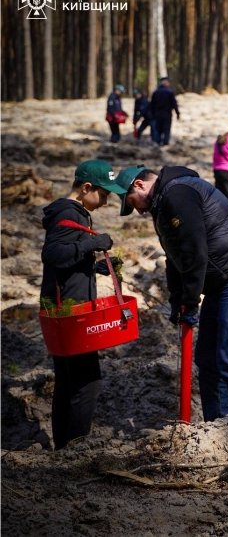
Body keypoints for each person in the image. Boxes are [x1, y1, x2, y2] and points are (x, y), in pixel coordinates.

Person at [117, 164, 228, 421]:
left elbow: (194, 251)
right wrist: (178, 300)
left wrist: (190, 300)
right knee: (208, 360)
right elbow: (175, 257)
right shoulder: (165, 200)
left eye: (132, 203)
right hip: (222, 285)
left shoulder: (177, 194)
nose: (138, 211)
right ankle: (219, 427)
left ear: (139, 185)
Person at [40, 160, 126, 449]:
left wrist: (95, 267)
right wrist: (92, 244)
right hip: (69, 312)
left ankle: (63, 447)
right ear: (86, 188)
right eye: (103, 195)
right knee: (87, 381)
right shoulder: (68, 212)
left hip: (63, 306)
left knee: (67, 379)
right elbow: (53, 254)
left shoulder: (75, 212)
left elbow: (66, 260)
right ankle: (75, 450)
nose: (104, 202)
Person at [150, 77, 180, 146]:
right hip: (167, 114)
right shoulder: (170, 92)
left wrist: (152, 114)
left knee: (158, 129)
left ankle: (157, 142)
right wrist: (177, 113)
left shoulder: (155, 92)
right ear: (166, 83)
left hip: (157, 114)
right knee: (166, 129)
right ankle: (165, 143)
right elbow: (174, 104)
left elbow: (152, 105)